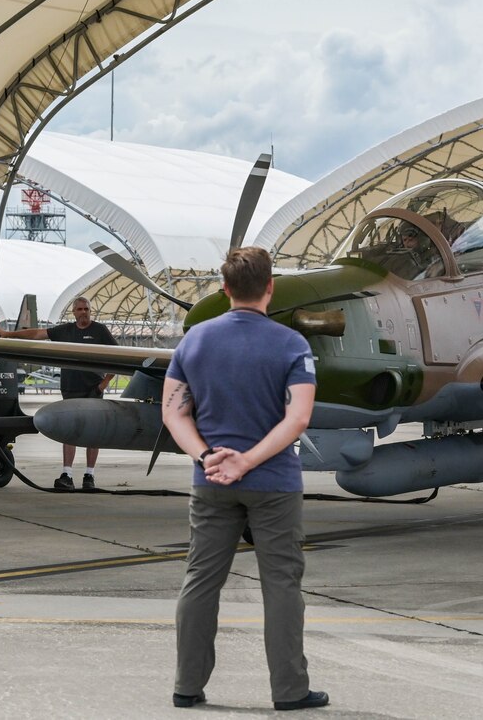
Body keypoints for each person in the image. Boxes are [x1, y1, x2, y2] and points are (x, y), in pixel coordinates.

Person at [161, 246, 328, 712]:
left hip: (211, 482)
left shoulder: (193, 342)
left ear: (225, 289)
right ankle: (290, 691)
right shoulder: (293, 345)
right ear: (270, 287)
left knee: (200, 581)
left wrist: (209, 457)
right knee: (281, 585)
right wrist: (248, 460)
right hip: (274, 483)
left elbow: (173, 414)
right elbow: (298, 418)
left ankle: (187, 686)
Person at [0, 296, 116, 490]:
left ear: (90, 311)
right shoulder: (65, 331)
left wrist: (103, 385)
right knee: (70, 431)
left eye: (86, 309)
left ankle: (89, 476)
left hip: (92, 389)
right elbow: (37, 334)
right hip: (70, 388)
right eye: (80, 309)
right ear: (74, 312)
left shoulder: (100, 331)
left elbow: (120, 356)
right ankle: (66, 474)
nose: (83, 312)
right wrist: (8, 335)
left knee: (93, 432)